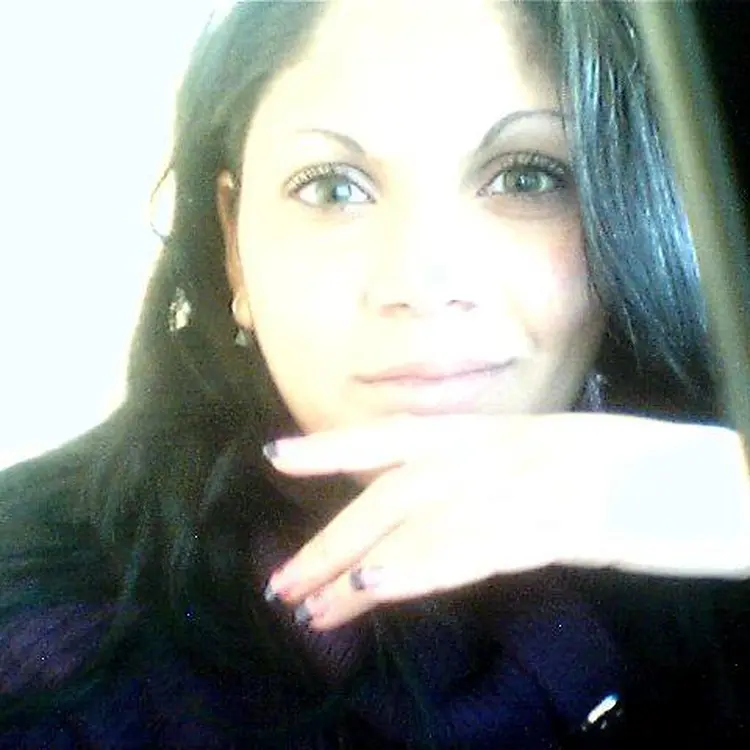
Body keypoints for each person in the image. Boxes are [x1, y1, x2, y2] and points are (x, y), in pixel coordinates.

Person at [2, 0, 750, 747]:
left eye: (526, 177)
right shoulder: (41, 643)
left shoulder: (713, 498)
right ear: (234, 246)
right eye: (332, 188)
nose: (422, 283)